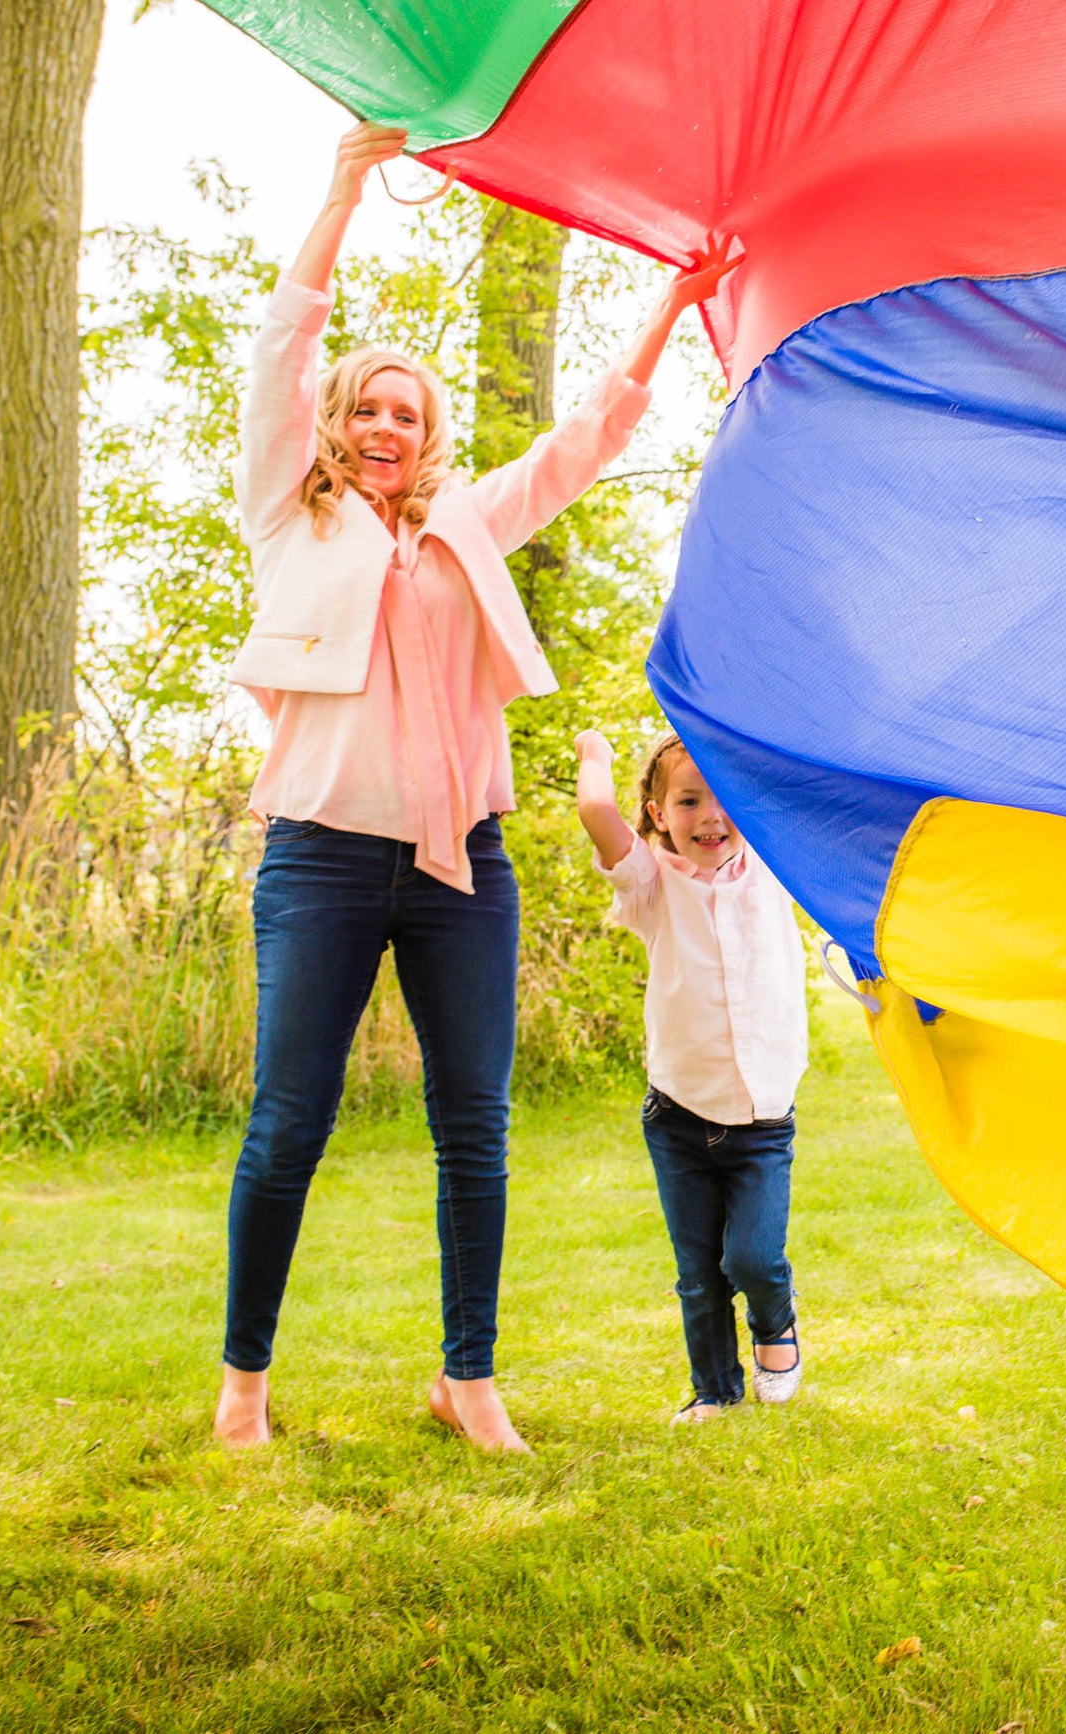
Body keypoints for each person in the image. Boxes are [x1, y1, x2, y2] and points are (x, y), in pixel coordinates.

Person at [213, 122, 740, 1454]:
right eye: (367, 407)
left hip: (464, 864)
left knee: (476, 1126)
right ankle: (244, 1383)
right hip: (323, 858)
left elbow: (581, 447)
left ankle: (470, 1374)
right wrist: (337, 189)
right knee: (287, 1120)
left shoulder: (465, 526)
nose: (387, 424)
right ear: (334, 428)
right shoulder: (290, 509)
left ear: (432, 438)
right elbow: (282, 342)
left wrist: (670, 307)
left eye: (411, 411)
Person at [574, 728, 808, 1422]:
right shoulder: (650, 885)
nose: (711, 815)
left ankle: (777, 1327)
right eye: (688, 800)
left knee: (753, 1261)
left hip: (762, 1115)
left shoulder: (770, 864)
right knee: (699, 1274)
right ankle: (714, 1390)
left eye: (723, 796)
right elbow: (595, 814)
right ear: (656, 813)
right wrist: (594, 753)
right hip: (678, 1116)